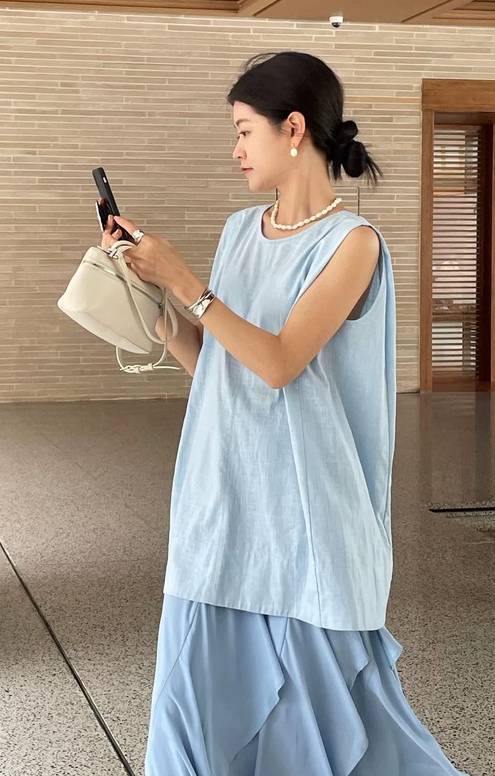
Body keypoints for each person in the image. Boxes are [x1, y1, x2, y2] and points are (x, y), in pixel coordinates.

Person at [100, 52, 468, 776]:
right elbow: (221, 371)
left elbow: (278, 363)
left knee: (333, 730)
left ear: (293, 128)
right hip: (223, 505)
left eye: (244, 130)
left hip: (308, 520)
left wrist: (185, 281)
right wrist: (154, 302)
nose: (236, 149)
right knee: (192, 706)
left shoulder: (353, 244)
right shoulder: (240, 231)